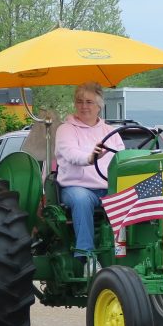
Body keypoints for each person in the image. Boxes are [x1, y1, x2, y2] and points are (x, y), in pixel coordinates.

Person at [54, 81, 114, 263]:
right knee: (81, 200)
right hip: (77, 187)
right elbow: (71, 154)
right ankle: (86, 256)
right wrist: (90, 158)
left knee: (137, 196)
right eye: (79, 101)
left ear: (99, 106)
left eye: (88, 102)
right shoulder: (66, 130)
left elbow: (122, 157)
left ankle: (126, 249)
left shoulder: (110, 132)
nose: (83, 106)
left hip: (108, 187)